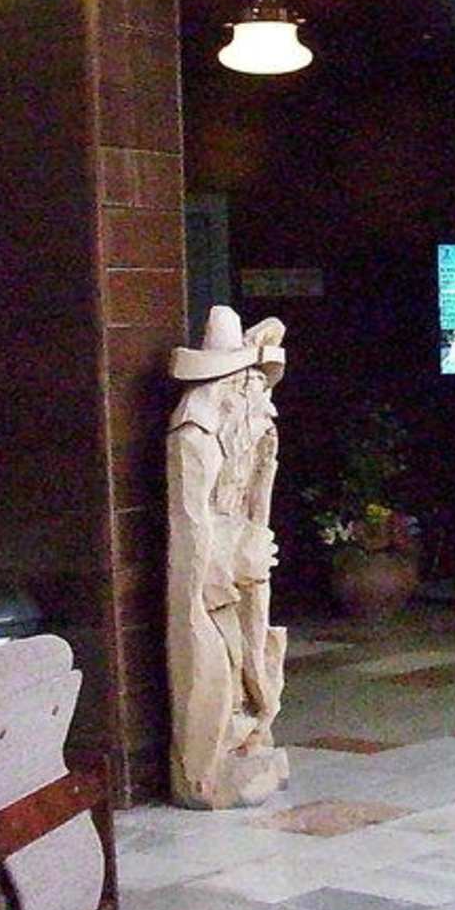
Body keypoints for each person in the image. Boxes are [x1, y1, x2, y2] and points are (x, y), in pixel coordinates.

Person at [166, 306, 289, 808]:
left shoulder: (248, 432)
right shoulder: (194, 435)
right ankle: (207, 766)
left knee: (254, 657)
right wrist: (236, 553)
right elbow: (191, 525)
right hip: (214, 576)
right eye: (251, 383)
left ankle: (252, 733)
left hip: (245, 561)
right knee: (215, 665)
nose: (261, 397)